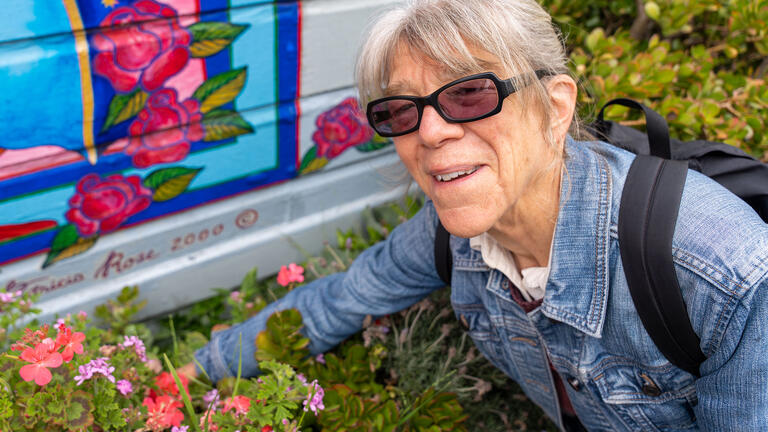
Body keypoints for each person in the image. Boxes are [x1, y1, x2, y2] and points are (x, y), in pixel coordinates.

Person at [185, 0, 768, 430]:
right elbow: (337, 302)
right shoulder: (454, 236)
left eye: (469, 94)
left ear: (555, 108)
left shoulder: (727, 277)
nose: (431, 131)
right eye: (400, 110)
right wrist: (187, 379)